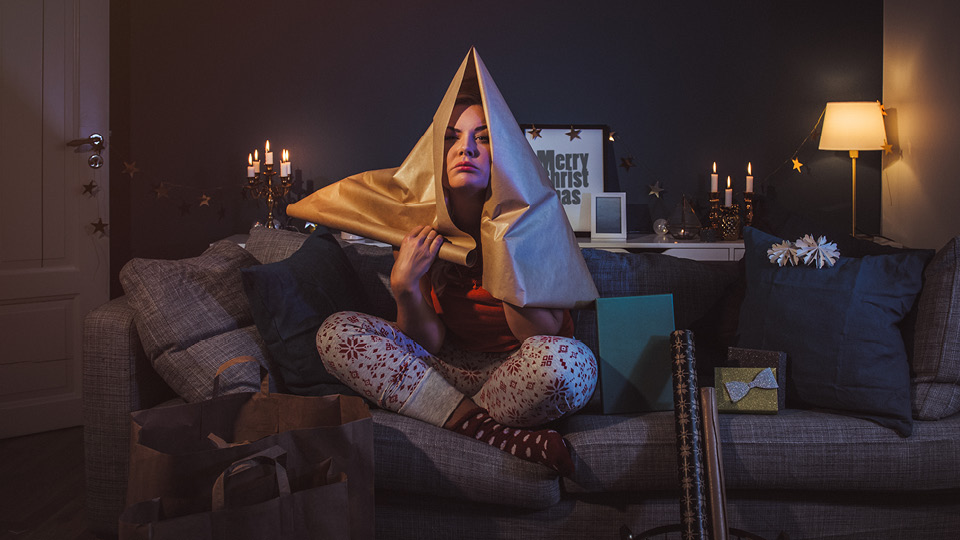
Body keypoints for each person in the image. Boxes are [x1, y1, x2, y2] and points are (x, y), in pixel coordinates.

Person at [316, 93, 598, 476]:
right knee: (336, 333)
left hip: (520, 372)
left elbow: (537, 336)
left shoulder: (534, 220)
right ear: (435, 151)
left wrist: (507, 257)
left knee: (568, 365)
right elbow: (427, 342)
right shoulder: (426, 225)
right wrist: (406, 286)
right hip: (448, 369)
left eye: (482, 138)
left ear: (503, 153)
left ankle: (450, 415)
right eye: (451, 137)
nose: (465, 148)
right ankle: (486, 430)